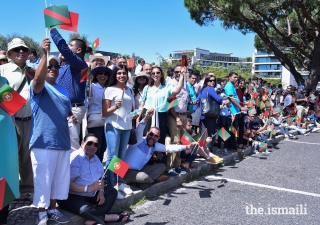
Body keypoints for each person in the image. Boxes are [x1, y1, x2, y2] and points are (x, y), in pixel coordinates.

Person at [30, 38, 76, 224]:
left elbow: (68, 111)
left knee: (58, 180)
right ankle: (41, 214)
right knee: (43, 180)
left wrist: (72, 117)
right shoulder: (38, 86)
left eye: (56, 66)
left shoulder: (63, 89)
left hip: (63, 141)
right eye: (50, 66)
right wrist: (44, 54)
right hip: (43, 141)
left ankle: (52, 210)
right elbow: (38, 78)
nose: (53, 69)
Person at [57, 133, 130, 225]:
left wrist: (101, 191)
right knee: (84, 209)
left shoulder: (96, 159)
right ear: (82, 143)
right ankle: (110, 217)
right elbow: (69, 185)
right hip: (73, 195)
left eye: (95, 145)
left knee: (112, 192)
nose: (92, 146)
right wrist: (88, 188)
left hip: (92, 194)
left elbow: (101, 178)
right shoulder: (75, 158)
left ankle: (94, 218)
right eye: (89, 143)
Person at [123, 109, 196, 190]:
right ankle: (150, 181)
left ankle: (143, 183)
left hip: (140, 170)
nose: (152, 137)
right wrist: (146, 118)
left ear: (158, 138)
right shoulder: (139, 140)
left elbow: (169, 148)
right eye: (151, 134)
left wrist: (186, 147)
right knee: (143, 177)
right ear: (147, 133)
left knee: (162, 166)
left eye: (156, 136)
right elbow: (139, 130)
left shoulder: (155, 145)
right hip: (126, 170)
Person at [0, 38, 34, 197]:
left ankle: (27, 188)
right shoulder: (3, 70)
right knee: (10, 158)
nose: (21, 52)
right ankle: (9, 192)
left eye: (24, 49)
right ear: (10, 53)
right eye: (17, 49)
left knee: (27, 156)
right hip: (9, 122)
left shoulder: (32, 71)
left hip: (30, 119)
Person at [102, 65, 138, 199]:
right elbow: (104, 113)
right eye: (119, 73)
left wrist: (134, 115)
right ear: (115, 75)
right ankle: (110, 186)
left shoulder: (129, 90)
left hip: (127, 126)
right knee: (113, 156)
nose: (122, 75)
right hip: (113, 125)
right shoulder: (109, 90)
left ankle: (120, 182)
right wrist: (114, 107)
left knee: (121, 156)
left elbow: (131, 110)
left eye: (124, 73)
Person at [50, 27, 88, 144]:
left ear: (78, 50)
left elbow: (64, 49)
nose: (67, 47)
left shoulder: (80, 63)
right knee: (59, 141)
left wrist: (53, 31)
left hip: (74, 109)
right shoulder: (63, 68)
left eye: (70, 45)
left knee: (71, 143)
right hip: (60, 107)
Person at [140, 66, 185, 144]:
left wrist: (181, 77)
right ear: (151, 75)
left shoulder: (167, 87)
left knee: (160, 138)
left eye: (158, 72)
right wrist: (138, 118)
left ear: (161, 74)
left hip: (161, 115)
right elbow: (142, 104)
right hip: (148, 114)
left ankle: (160, 156)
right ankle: (147, 156)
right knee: (146, 137)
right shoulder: (147, 88)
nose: (155, 74)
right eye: (153, 73)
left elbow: (177, 91)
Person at [0, 76, 19, 225]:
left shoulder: (3, 80)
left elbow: (13, 107)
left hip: (6, 135)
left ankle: (2, 215)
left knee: (6, 173)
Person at [86, 66, 112, 162]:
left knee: (105, 147)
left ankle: (102, 169)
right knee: (95, 146)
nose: (103, 76)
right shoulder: (92, 86)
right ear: (96, 76)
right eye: (100, 73)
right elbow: (88, 93)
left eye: (105, 74)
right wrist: (89, 81)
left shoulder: (109, 89)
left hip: (108, 120)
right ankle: (92, 169)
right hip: (95, 120)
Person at [197, 76, 229, 151]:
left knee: (204, 134)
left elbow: (197, 101)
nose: (213, 82)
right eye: (210, 80)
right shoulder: (210, 89)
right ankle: (209, 152)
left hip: (203, 115)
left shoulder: (203, 89)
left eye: (214, 80)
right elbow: (218, 99)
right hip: (210, 115)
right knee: (210, 135)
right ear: (206, 81)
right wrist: (222, 96)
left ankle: (203, 152)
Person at [224, 72, 246, 153]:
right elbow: (232, 99)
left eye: (237, 77)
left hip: (235, 111)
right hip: (232, 111)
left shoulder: (232, 86)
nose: (236, 79)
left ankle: (231, 145)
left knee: (233, 130)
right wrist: (241, 107)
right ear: (230, 77)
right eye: (234, 77)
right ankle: (230, 146)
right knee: (231, 130)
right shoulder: (229, 86)